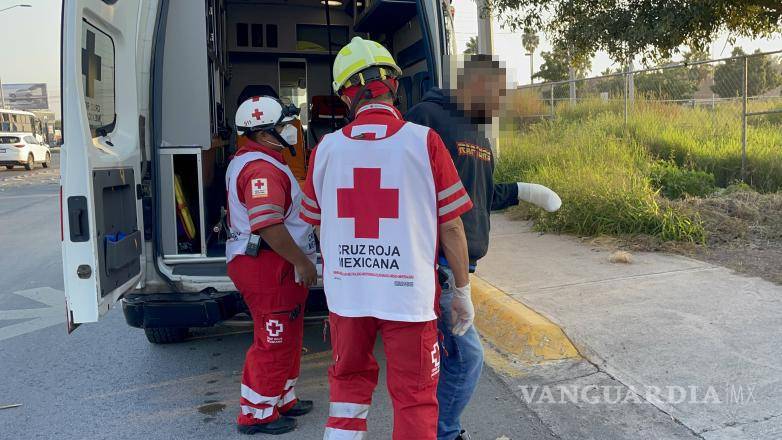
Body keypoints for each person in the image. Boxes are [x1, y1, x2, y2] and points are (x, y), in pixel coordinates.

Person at [299, 37, 474, 440]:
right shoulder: (423, 142)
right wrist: (462, 290)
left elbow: (317, 223)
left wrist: (345, 265)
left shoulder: (325, 149)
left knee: (347, 387)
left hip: (348, 295)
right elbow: (451, 227)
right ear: (393, 85)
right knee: (414, 398)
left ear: (346, 95)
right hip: (408, 297)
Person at [405, 54, 562, 440]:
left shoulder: (477, 133)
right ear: (472, 85)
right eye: (497, 93)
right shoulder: (426, 117)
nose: (501, 102)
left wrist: (527, 192)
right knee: (468, 356)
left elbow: (481, 195)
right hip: (436, 262)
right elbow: (408, 187)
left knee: (446, 357)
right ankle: (444, 432)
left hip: (462, 263)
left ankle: (436, 428)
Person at [226, 95, 319, 435]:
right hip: (269, 264)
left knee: (289, 334)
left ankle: (282, 398)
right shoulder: (260, 169)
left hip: (277, 264)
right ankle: (256, 414)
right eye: (283, 126)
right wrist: (303, 263)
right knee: (274, 338)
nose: (291, 130)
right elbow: (267, 225)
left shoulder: (263, 160)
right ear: (265, 133)